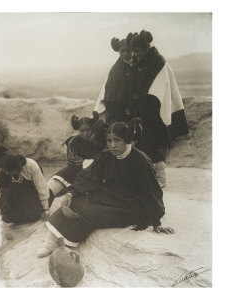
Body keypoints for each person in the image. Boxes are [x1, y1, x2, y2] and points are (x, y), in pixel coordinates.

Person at [37, 119, 174, 258]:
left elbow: (150, 191)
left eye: (117, 140)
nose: (112, 145)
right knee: (74, 202)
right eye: (109, 141)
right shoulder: (105, 156)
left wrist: (156, 221)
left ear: (126, 140)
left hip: (127, 205)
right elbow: (89, 176)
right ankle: (49, 243)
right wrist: (71, 194)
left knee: (88, 211)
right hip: (107, 197)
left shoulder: (141, 161)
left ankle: (67, 248)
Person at [128, 30, 189, 187]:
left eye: (138, 50)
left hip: (155, 108)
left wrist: (148, 105)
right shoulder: (142, 62)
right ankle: (149, 176)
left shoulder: (157, 62)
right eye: (133, 51)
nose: (135, 54)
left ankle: (161, 177)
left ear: (146, 48)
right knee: (143, 141)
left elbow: (158, 87)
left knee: (153, 142)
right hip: (145, 108)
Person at [0, 146, 54, 233]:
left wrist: (46, 210)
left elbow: (41, 187)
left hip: (31, 202)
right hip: (17, 206)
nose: (8, 173)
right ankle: (14, 218)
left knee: (47, 194)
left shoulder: (31, 166)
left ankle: (32, 214)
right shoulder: (5, 170)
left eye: (10, 171)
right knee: (8, 190)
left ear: (17, 167)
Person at [48, 111, 107, 197]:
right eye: (82, 131)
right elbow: (73, 162)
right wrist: (85, 164)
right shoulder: (73, 142)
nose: (85, 133)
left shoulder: (101, 139)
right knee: (52, 186)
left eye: (88, 130)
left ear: (92, 128)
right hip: (78, 170)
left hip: (100, 171)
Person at [94, 33, 135, 122]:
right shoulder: (116, 70)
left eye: (128, 50)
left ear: (133, 50)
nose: (125, 54)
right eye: (122, 51)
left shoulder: (136, 64)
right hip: (119, 109)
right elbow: (113, 96)